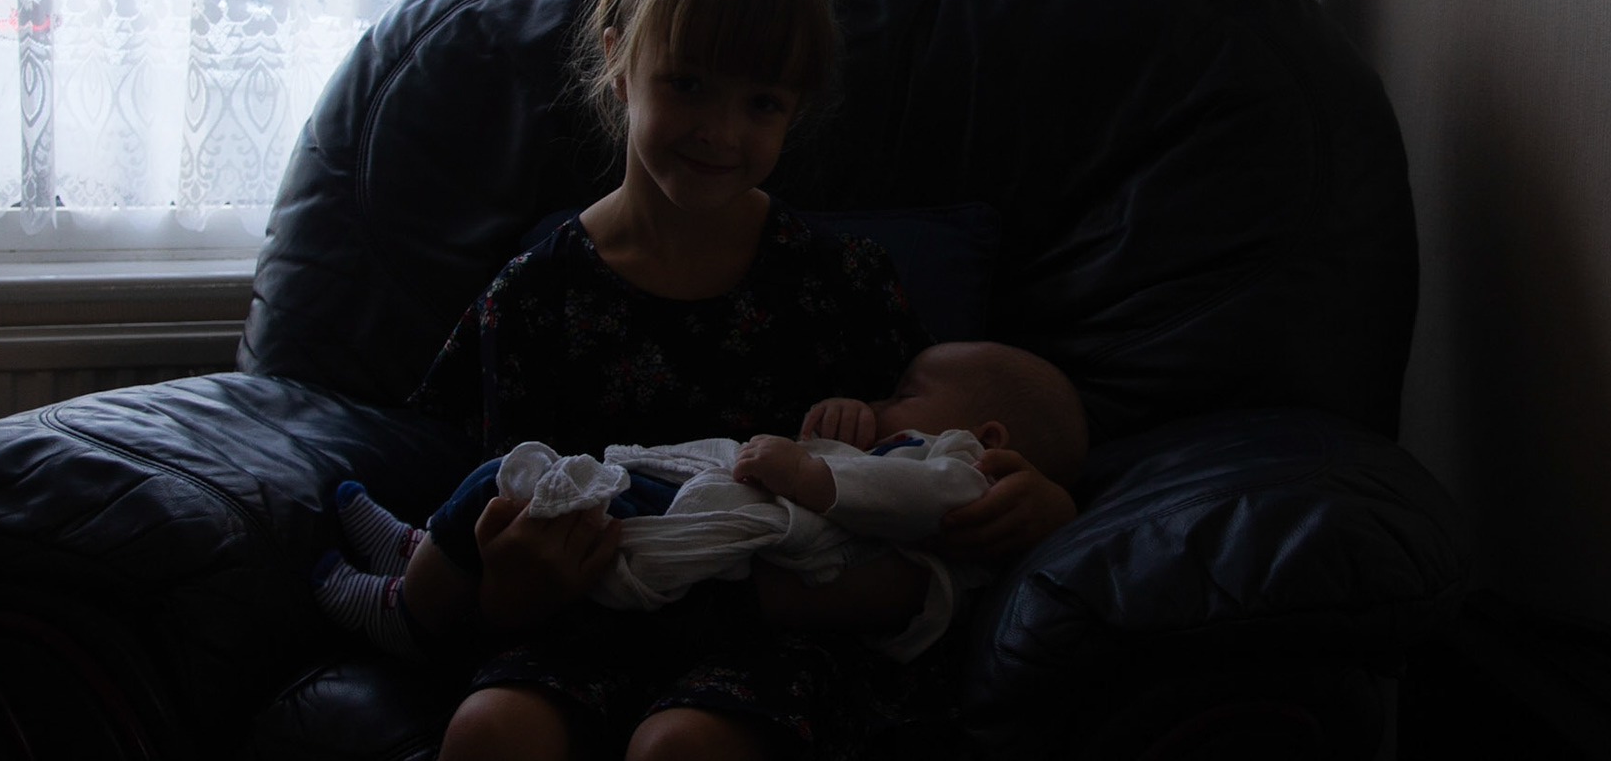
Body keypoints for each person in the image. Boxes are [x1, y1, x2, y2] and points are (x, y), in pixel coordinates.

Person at [315, 0, 1080, 761]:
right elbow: (502, 520)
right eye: (687, 84)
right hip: (587, 619)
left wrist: (1039, 505)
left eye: (762, 103)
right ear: (619, 61)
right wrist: (509, 594)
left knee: (683, 746)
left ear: (796, 109)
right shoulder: (536, 296)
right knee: (492, 730)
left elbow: (937, 458)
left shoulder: (843, 283)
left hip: (777, 633)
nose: (721, 130)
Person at [320, 340, 1088, 664]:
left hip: (704, 546)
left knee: (516, 478)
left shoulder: (947, 473)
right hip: (696, 541)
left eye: (902, 395)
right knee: (523, 484)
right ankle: (420, 554)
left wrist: (811, 470)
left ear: (983, 437)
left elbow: (892, 494)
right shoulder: (896, 467)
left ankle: (408, 611)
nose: (882, 405)